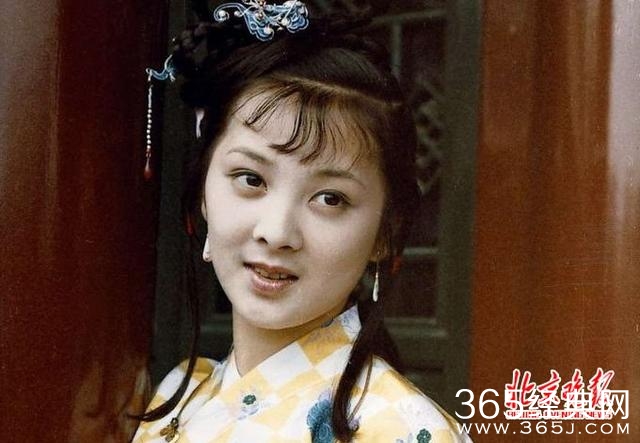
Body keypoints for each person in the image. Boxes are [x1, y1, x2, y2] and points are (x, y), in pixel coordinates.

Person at [134, 2, 471, 442]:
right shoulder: (180, 394)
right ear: (203, 193)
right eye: (251, 179)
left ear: (385, 232)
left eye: (330, 198)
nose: (276, 233)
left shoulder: (402, 428)